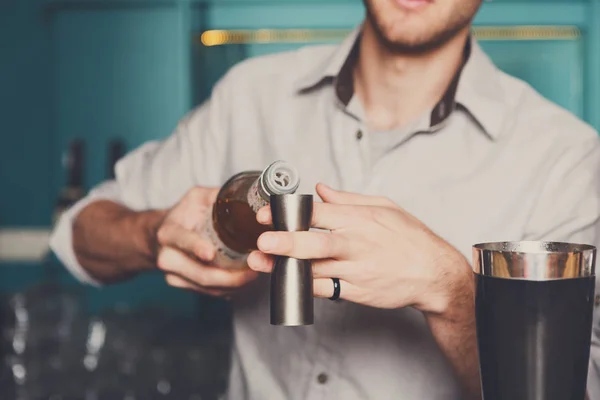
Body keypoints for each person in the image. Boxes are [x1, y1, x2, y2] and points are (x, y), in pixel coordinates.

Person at [50, 0, 600, 398]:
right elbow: (77, 234)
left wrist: (455, 295)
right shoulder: (249, 96)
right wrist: (151, 235)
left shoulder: (565, 159)